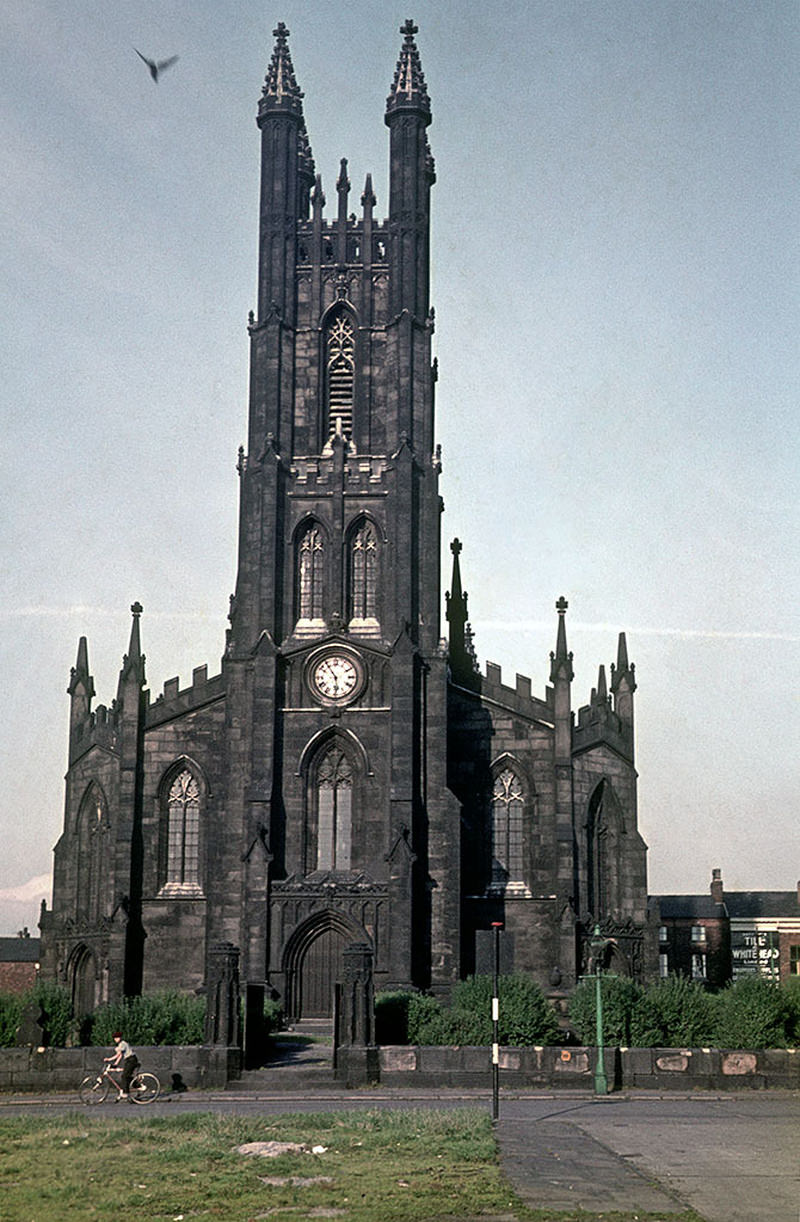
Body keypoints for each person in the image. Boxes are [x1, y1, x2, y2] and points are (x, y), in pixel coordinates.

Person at [104, 1031, 139, 1100]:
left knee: (124, 1076)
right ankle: (134, 1085)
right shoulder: (120, 1045)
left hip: (131, 1060)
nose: (115, 1039)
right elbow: (120, 1056)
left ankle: (126, 1093)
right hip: (128, 1060)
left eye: (117, 1038)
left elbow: (118, 1054)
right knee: (126, 1075)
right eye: (114, 1038)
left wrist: (108, 1059)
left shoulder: (123, 1044)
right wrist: (115, 1064)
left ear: (120, 1037)